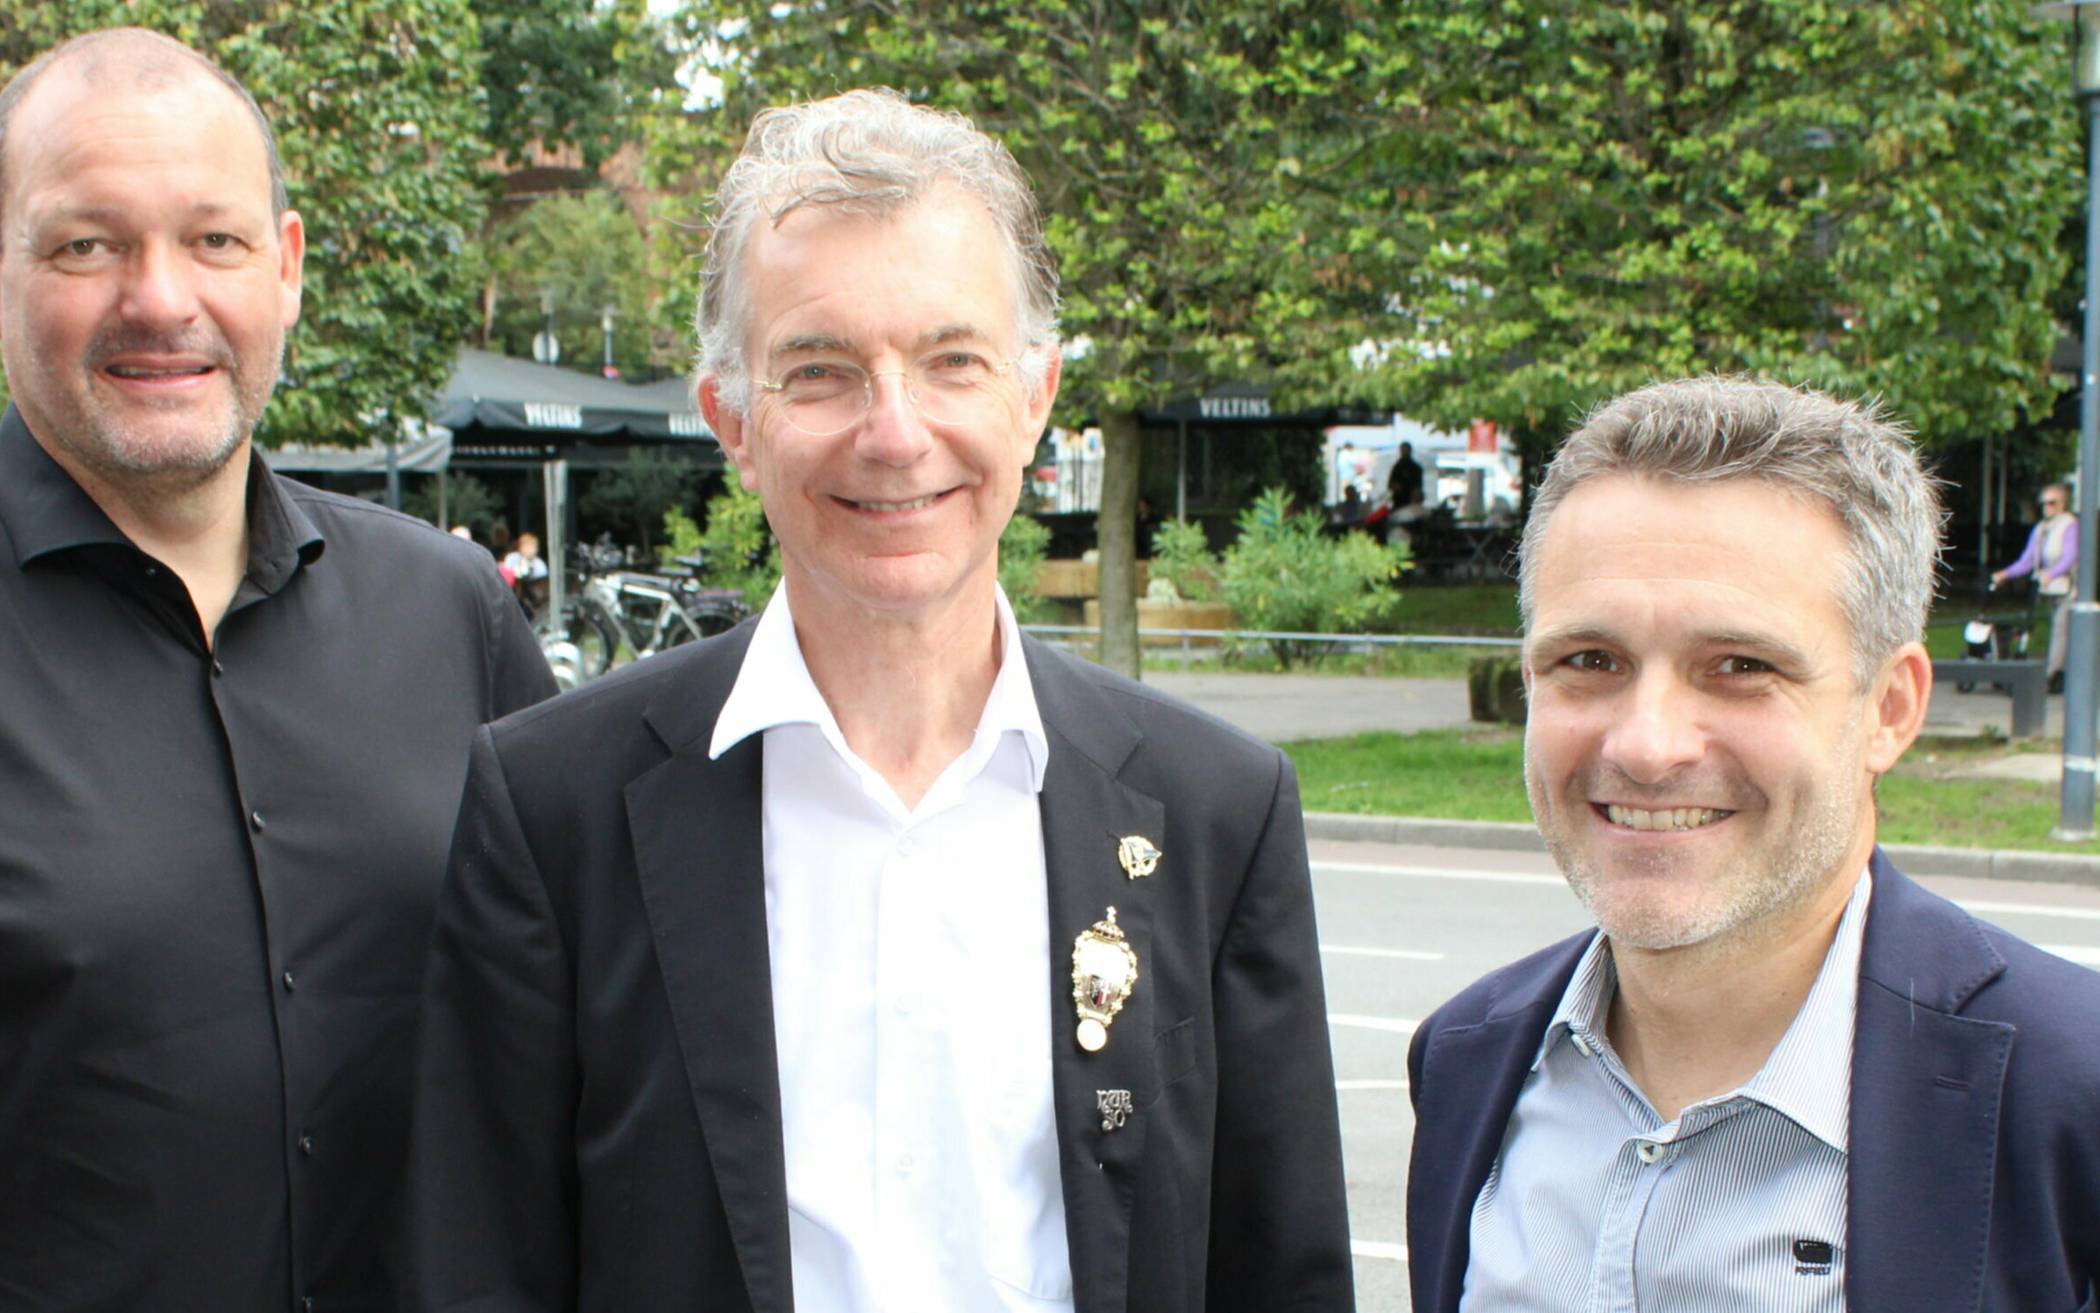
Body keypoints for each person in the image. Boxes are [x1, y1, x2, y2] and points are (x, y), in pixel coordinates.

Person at [411, 88, 1352, 1312]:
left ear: (1034, 396)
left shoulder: (1218, 810)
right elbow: (478, 1270)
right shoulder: (551, 808)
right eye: (821, 371)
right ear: (732, 422)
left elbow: (1280, 1270)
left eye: (952, 361)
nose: (895, 432)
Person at [0, 28, 556, 1310]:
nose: (161, 300)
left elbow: (586, 1021)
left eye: (216, 240)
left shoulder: (452, 612)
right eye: (87, 245)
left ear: (287, 268)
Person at [1406, 378, 2100, 1313]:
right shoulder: (1464, 1060)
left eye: (1740, 666)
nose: (1647, 745)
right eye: (1590, 661)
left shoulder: (2071, 1098)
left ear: (1890, 709)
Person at [1991, 482, 2077, 692]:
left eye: (2052, 503)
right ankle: (2061, 673)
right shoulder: (2041, 529)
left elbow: (2069, 558)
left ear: (2063, 504)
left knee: (2061, 630)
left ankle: (2049, 676)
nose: (2047, 507)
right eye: (2044, 503)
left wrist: (2050, 574)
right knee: (2059, 631)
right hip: (2050, 589)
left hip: (2069, 589)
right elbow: (2027, 561)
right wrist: (2005, 574)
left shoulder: (2070, 525)